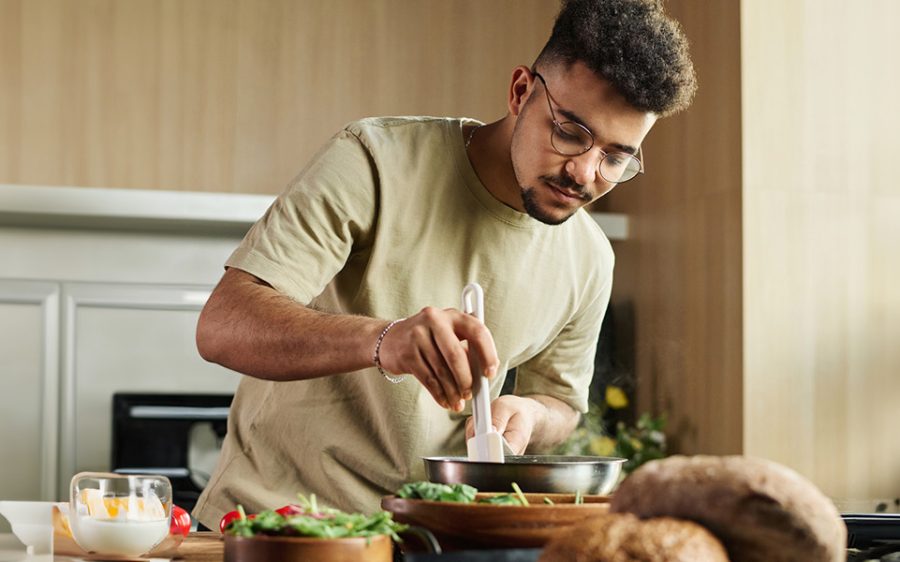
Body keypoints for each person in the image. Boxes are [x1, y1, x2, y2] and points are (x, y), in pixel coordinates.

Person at [192, 0, 696, 527]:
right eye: (570, 132)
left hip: (434, 537)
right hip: (272, 526)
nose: (585, 174)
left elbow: (559, 402)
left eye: (615, 157)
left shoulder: (590, 258)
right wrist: (384, 341)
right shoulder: (374, 159)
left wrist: (529, 415)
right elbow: (223, 326)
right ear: (521, 91)